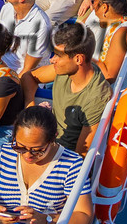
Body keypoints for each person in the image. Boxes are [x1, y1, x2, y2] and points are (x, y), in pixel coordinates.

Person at [0, 106, 92, 224]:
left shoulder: (71, 164)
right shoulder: (4, 153)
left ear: (53, 139)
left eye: (37, 151)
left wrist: (47, 219)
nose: (27, 155)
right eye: (20, 147)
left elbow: (85, 215)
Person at [35, 23, 112, 154]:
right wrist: (30, 106)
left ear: (78, 59)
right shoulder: (65, 71)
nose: (52, 60)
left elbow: (82, 153)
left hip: (61, 154)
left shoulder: (96, 98)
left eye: (58, 55)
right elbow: (28, 78)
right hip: (45, 138)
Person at [0, 0, 52, 97]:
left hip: (22, 80)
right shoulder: (7, 8)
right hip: (2, 71)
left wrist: (6, 86)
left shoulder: (41, 25)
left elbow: (27, 71)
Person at [85, 0, 127, 82]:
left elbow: (109, 75)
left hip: (106, 91)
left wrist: (83, 55)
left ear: (104, 7)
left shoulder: (123, 32)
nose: (93, 6)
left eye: (95, 1)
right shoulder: (114, 26)